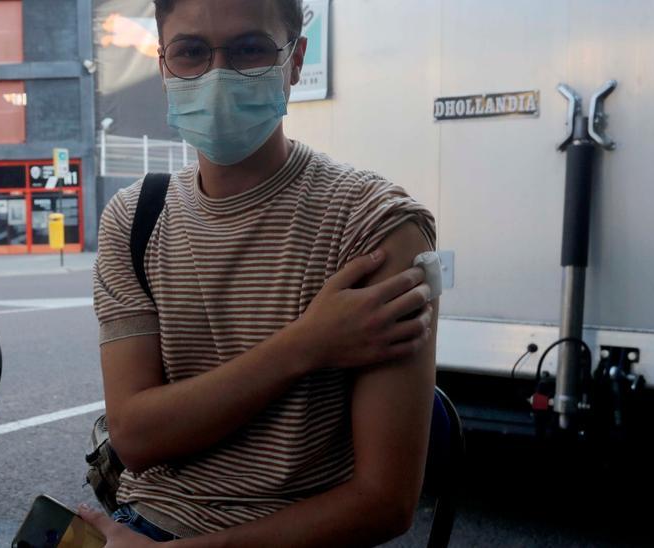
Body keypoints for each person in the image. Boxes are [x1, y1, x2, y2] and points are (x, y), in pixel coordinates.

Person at [79, 1, 438, 545]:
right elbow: (135, 437)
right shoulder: (134, 219)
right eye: (192, 52)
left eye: (250, 49)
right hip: (140, 521)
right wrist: (306, 346)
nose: (217, 74)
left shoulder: (376, 226)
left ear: (294, 62)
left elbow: (384, 503)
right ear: (163, 66)